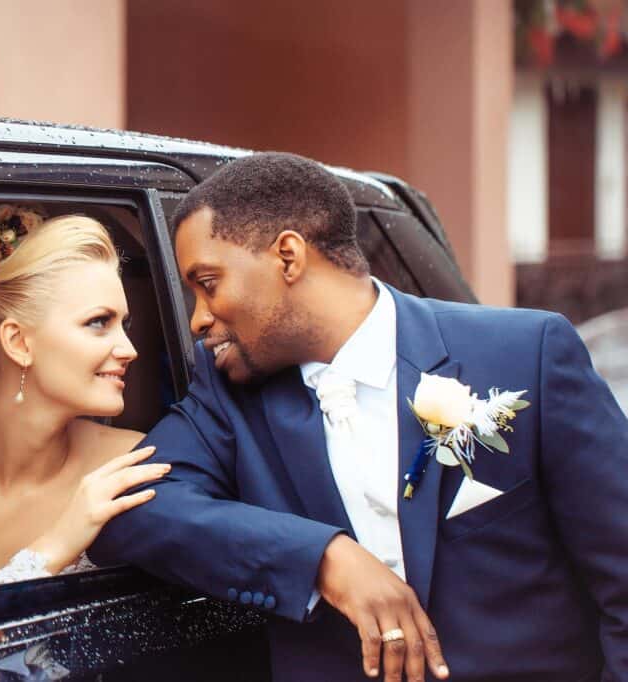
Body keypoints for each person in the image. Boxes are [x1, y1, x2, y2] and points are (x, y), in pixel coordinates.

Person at [91, 152, 628, 682]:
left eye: (208, 284)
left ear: (288, 257)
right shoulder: (228, 394)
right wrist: (323, 558)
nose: (199, 319)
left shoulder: (523, 353)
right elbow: (130, 509)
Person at [0, 207, 169, 587]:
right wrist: (58, 545)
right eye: (98, 322)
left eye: (124, 324)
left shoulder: (132, 465)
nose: (129, 350)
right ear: (19, 343)